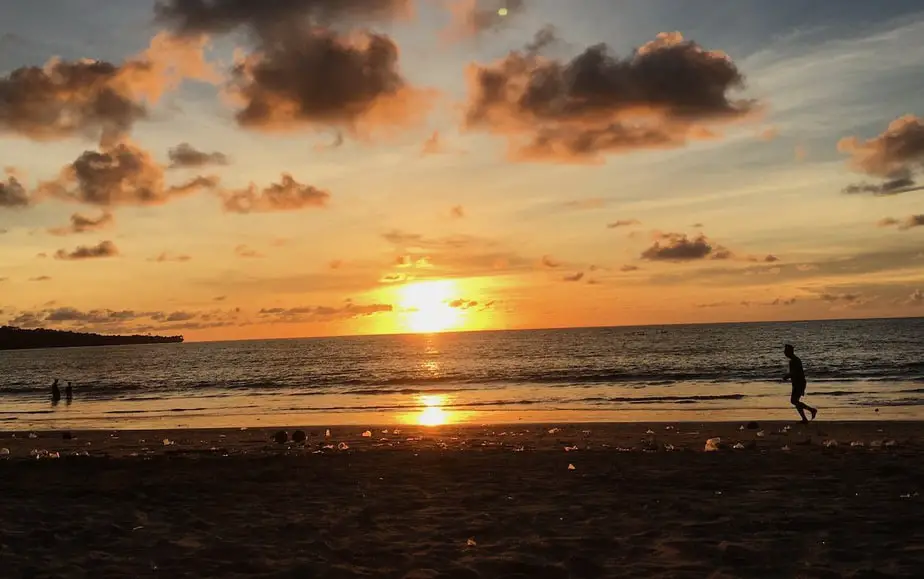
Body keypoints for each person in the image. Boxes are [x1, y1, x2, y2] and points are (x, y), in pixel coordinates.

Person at [783, 344, 817, 423]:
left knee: (794, 401)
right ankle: (805, 418)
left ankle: (812, 410)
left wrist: (787, 376)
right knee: (795, 401)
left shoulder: (795, 360)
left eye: (786, 351)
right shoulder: (793, 360)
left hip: (799, 383)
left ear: (790, 352)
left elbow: (795, 372)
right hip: (797, 383)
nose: (784, 353)